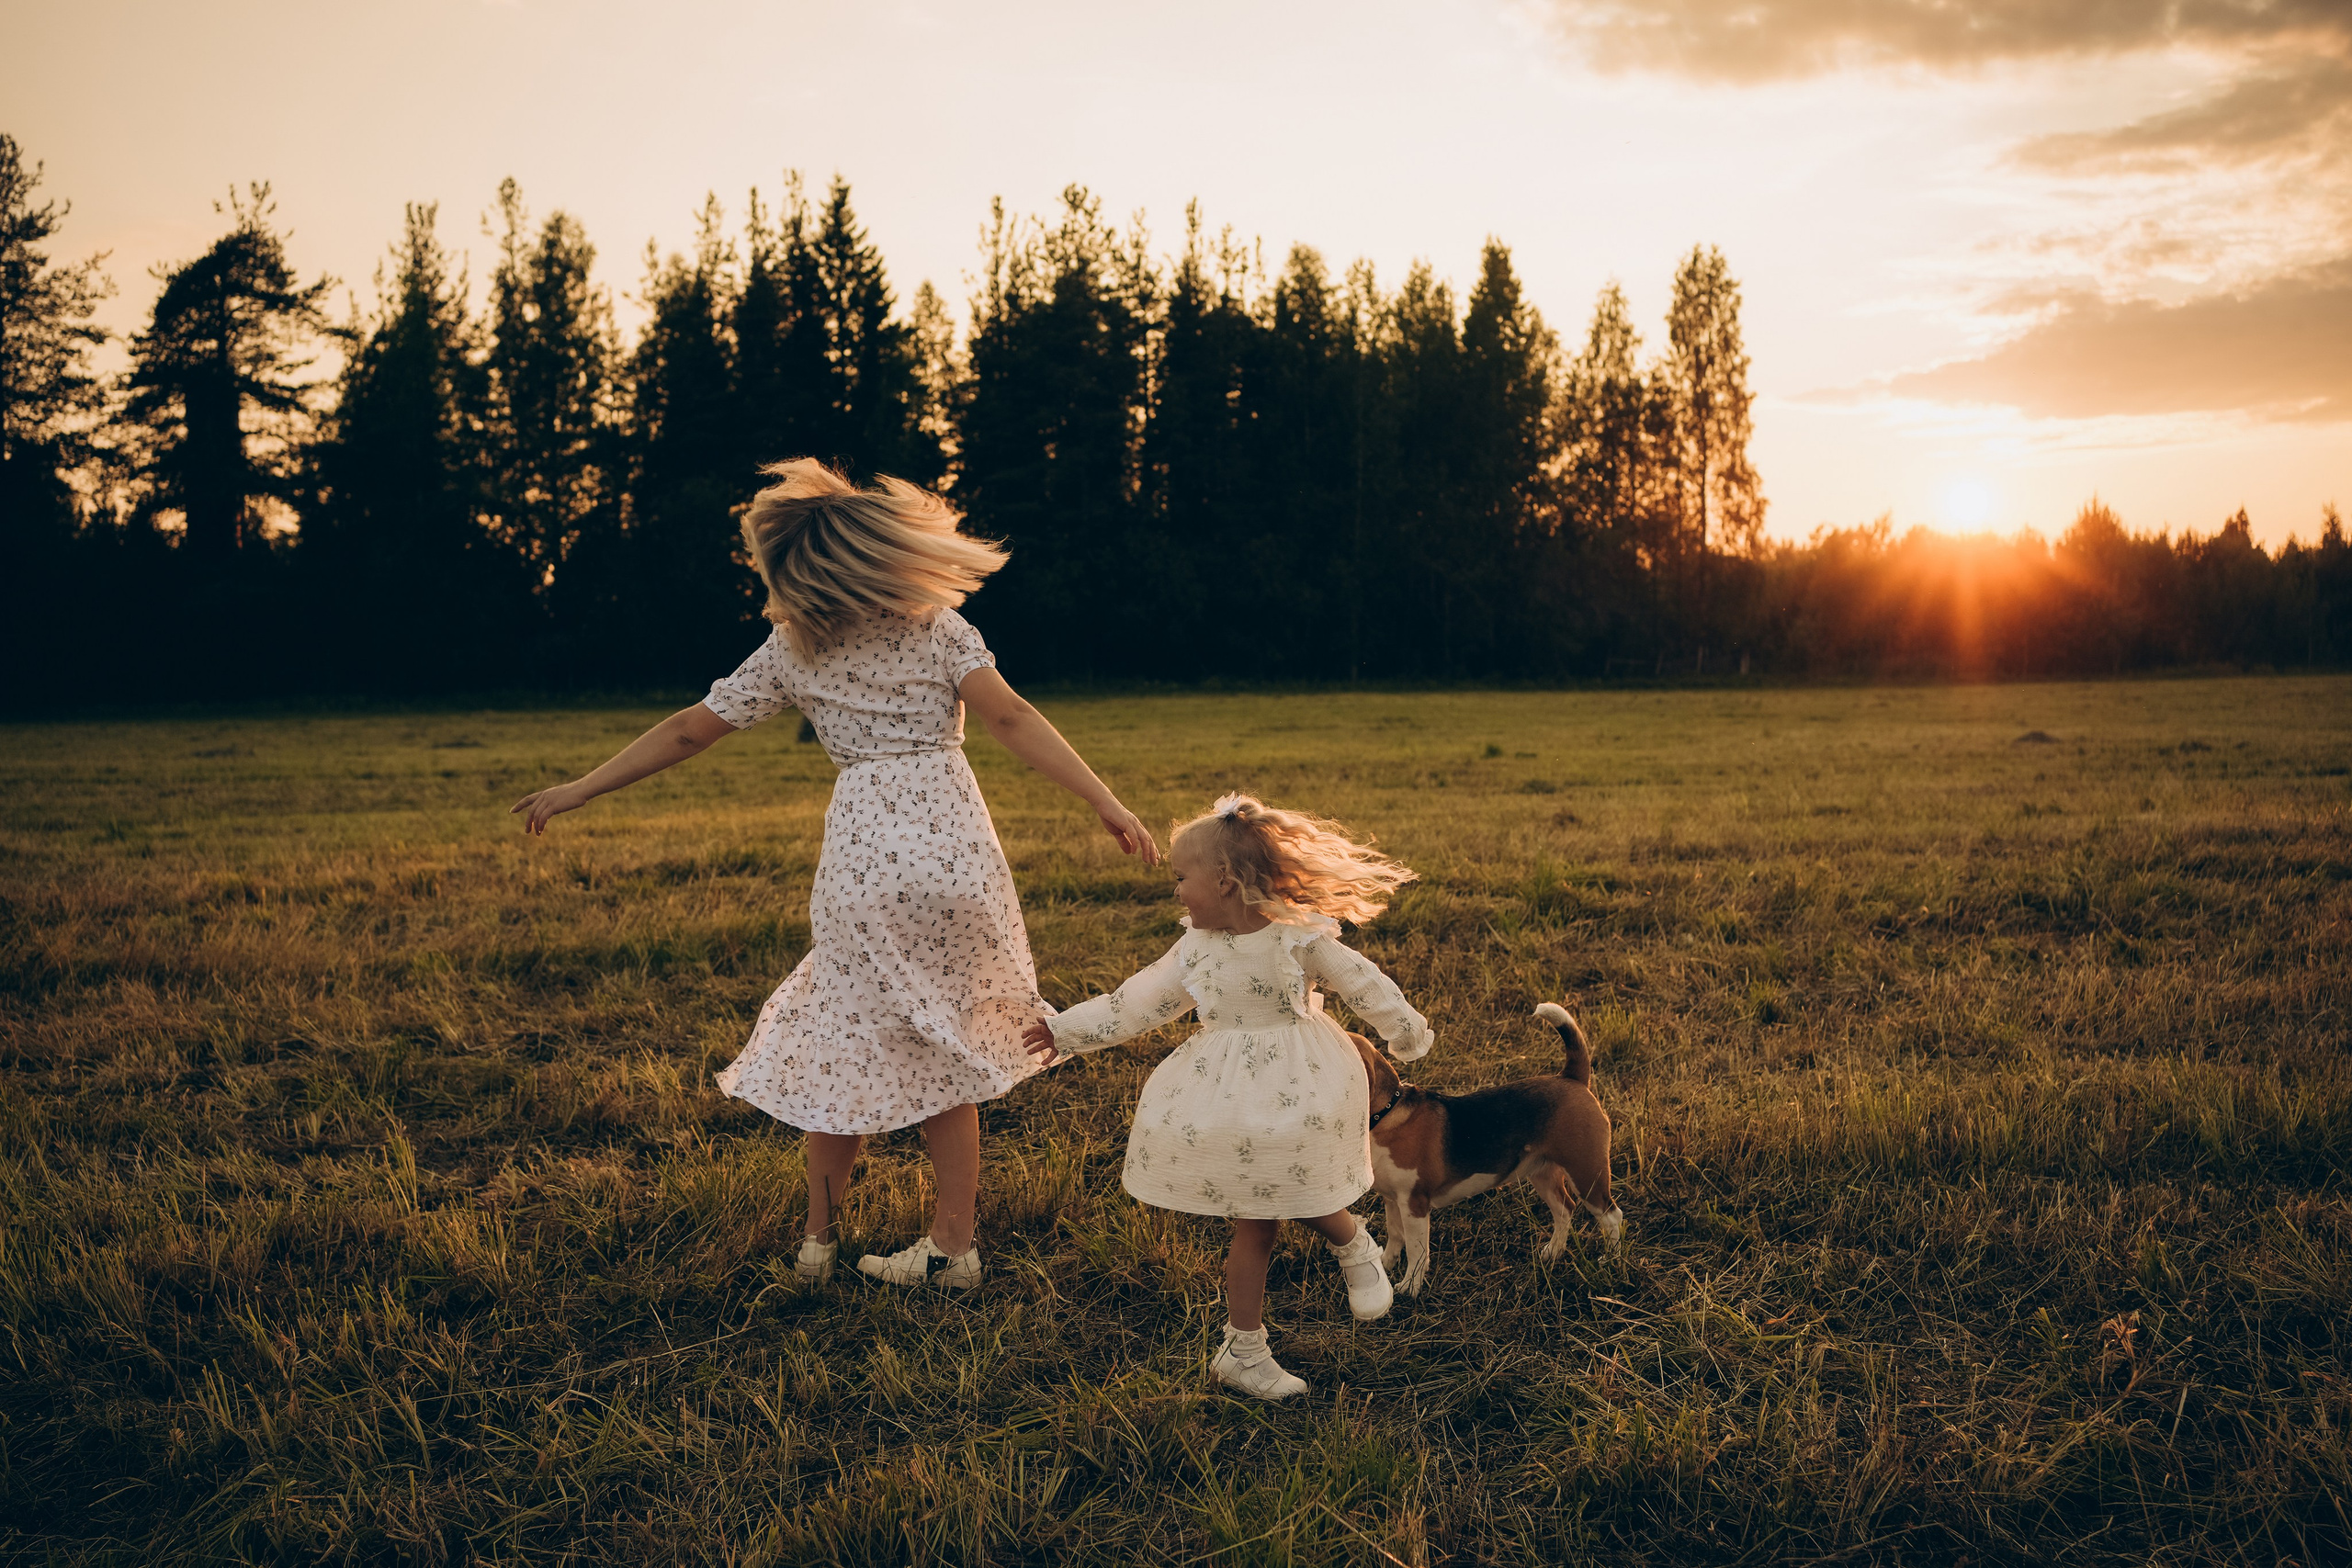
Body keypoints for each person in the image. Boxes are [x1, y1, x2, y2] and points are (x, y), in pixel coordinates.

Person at [512, 458, 1159, 1290]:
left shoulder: (794, 648)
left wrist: (580, 787)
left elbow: (687, 731)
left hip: (863, 866)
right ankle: (953, 1247)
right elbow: (1011, 716)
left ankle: (817, 1245)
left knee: (842, 1041)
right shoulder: (940, 630)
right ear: (888, 553)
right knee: (945, 1047)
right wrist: (1106, 802)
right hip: (955, 856)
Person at [1022, 793, 1431, 1400]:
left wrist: (1404, 1029)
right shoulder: (1195, 945)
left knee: (1297, 1178)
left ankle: (1353, 1243)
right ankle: (1245, 1348)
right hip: (1231, 1089)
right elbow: (1136, 1002)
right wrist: (1066, 1030)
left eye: (1181, 878)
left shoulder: (1297, 938)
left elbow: (1361, 981)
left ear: (1226, 882)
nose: (1177, 891)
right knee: (1257, 1215)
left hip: (1303, 1079)